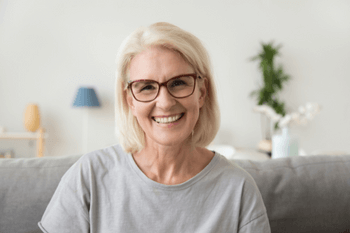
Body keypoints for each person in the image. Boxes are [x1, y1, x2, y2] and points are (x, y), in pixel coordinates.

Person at [38, 22, 271, 233]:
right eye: (147, 87)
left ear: (202, 92)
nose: (166, 102)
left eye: (178, 83)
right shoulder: (88, 176)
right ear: (130, 99)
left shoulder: (238, 189)